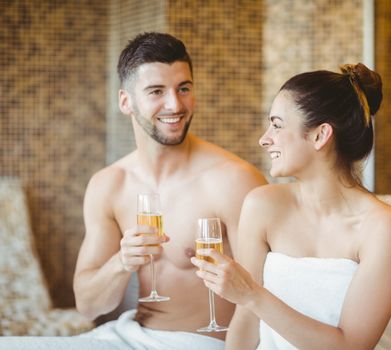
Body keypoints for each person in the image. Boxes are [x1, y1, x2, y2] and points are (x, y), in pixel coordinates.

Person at [0, 32, 266, 349]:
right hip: (127, 334)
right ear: (126, 101)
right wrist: (122, 263)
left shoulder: (232, 180)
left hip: (196, 341)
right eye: (157, 91)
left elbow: (259, 300)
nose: (175, 104)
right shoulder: (109, 184)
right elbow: (88, 305)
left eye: (184, 88)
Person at [191, 63, 391, 349]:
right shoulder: (262, 206)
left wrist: (252, 295)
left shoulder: (383, 227)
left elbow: (351, 346)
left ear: (320, 135)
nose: (264, 138)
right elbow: (245, 322)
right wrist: (248, 300)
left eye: (277, 125)